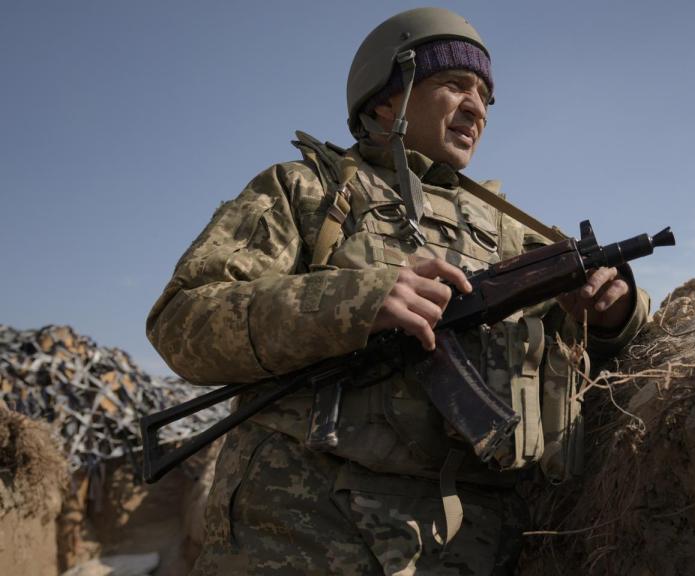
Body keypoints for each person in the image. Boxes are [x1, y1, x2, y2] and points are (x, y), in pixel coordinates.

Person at [147, 7, 649, 575]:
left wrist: (615, 313)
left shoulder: (515, 234)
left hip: (471, 547)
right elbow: (182, 321)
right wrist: (352, 303)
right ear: (386, 98)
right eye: (455, 84)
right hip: (298, 538)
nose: (477, 108)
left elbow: (598, 361)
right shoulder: (307, 191)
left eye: (485, 95)